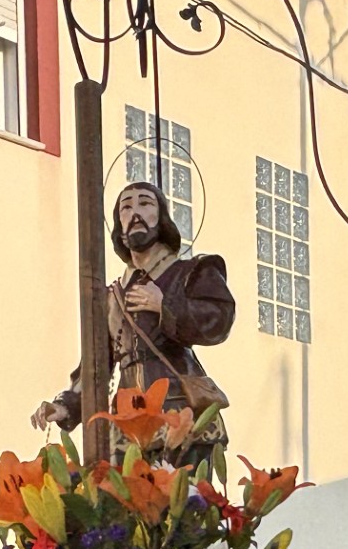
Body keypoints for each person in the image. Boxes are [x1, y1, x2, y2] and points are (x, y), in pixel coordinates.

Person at [32, 180, 236, 464]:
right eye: (125, 207)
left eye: (145, 203)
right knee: (124, 504)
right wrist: (66, 405)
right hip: (127, 420)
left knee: (184, 501)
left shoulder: (189, 273)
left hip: (178, 410)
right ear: (119, 224)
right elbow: (96, 365)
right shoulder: (112, 297)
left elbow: (218, 320)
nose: (134, 213)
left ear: (161, 217)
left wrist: (163, 305)